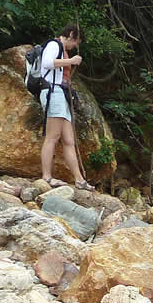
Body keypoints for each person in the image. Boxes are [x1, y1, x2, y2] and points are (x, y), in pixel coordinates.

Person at [36, 24, 92, 190]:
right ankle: (46, 177)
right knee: (52, 137)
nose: (74, 46)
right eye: (75, 42)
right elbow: (47, 63)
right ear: (71, 35)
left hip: (61, 94)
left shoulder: (62, 49)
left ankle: (79, 180)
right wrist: (71, 61)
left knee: (68, 140)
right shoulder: (54, 45)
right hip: (53, 92)